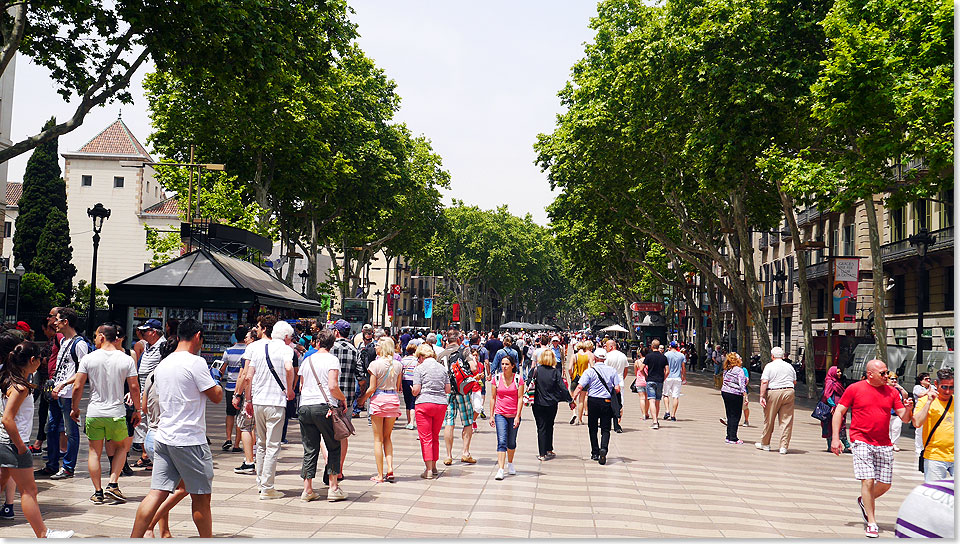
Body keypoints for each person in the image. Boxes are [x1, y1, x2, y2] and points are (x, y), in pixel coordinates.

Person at [131, 319, 223, 538]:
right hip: (189, 439)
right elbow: (217, 396)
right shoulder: (196, 362)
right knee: (201, 497)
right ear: (198, 336)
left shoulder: (163, 364)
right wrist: (215, 378)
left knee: (156, 493)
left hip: (163, 436)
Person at [831, 359, 913, 538]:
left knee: (885, 484)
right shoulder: (855, 389)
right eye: (883, 373)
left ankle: (864, 501)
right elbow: (839, 412)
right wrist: (836, 438)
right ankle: (872, 522)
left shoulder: (891, 392)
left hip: (884, 443)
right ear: (870, 374)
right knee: (867, 481)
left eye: (887, 372)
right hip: (861, 440)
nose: (887, 376)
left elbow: (905, 419)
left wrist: (908, 409)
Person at [0, 340, 74, 538]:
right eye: (40, 359)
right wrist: (21, 447)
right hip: (12, 445)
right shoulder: (20, 387)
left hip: (4, 444)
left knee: (2, 483)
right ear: (32, 360)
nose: (42, 362)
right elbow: (7, 419)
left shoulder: (9, 380)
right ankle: (43, 534)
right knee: (29, 491)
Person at [66, 323, 142, 505]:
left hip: (94, 412)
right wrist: (138, 410)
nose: (94, 339)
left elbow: (77, 385)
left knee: (94, 452)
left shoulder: (89, 359)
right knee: (122, 448)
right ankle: (113, 483)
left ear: (101, 336)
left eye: (95, 336)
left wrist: (74, 408)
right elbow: (134, 387)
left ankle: (98, 492)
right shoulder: (126, 359)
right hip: (117, 412)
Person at [237, 317, 295, 499]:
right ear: (286, 336)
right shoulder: (286, 350)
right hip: (276, 402)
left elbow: (248, 376)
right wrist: (290, 388)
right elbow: (288, 368)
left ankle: (261, 481)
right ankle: (268, 487)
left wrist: (248, 400)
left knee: (260, 443)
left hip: (258, 401)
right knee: (273, 445)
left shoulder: (257, 348)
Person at [36, 307, 88, 480]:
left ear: (66, 322)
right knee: (50, 428)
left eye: (57, 320)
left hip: (66, 394)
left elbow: (82, 372)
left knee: (70, 431)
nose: (54, 323)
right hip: (56, 392)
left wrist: (64, 384)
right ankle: (51, 464)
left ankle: (67, 467)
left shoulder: (79, 344)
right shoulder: (63, 341)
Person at [297, 329, 347, 502]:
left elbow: (301, 387)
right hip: (324, 408)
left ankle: (307, 489)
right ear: (332, 344)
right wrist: (343, 398)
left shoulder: (307, 359)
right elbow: (332, 386)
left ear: (317, 342)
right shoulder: (332, 360)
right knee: (333, 445)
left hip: (305, 407)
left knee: (310, 448)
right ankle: (333, 487)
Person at [357, 337, 402, 483]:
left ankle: (380, 475)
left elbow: (371, 388)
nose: (375, 347)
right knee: (388, 437)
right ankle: (390, 468)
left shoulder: (374, 364)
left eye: (377, 345)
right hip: (393, 401)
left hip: (378, 402)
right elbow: (398, 387)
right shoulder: (398, 365)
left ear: (382, 348)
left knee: (378, 439)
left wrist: (362, 399)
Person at [571, 347, 621, 465]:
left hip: (593, 401)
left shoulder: (589, 371)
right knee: (605, 428)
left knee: (592, 427)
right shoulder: (612, 371)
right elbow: (617, 388)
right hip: (606, 402)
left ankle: (594, 452)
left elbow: (580, 387)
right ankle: (604, 448)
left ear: (595, 358)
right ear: (604, 359)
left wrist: (572, 399)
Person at [330, 320, 365, 479]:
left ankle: (329, 466)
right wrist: (361, 396)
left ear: (336, 332)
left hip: (329, 397)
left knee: (328, 433)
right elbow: (361, 377)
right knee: (343, 434)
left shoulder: (329, 349)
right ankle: (339, 470)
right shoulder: (353, 350)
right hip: (348, 399)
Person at [439, 330, 476, 466]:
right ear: (459, 339)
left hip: (447, 391)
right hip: (462, 391)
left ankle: (448, 456)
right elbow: (474, 367)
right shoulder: (464, 351)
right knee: (467, 421)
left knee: (449, 422)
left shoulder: (441, 355)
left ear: (446, 340)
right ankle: (465, 453)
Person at [529, 349, 574, 461]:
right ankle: (549, 448)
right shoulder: (555, 372)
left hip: (538, 403)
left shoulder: (535, 370)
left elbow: (528, 382)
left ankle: (542, 453)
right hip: (552, 404)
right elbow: (563, 388)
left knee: (541, 427)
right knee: (550, 425)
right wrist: (570, 401)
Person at [411, 343, 447, 479]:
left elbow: (416, 390)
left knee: (426, 438)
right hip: (440, 404)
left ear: (421, 356)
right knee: (435, 436)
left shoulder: (419, 369)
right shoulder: (442, 368)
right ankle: (434, 466)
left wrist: (412, 391)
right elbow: (447, 389)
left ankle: (428, 470)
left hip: (424, 404)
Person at [132, 319, 165, 462]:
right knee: (141, 421)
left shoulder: (163, 346)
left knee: (153, 422)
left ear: (154, 332)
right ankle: (146, 453)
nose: (141, 333)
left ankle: (151, 455)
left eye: (145, 331)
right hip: (143, 388)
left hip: (155, 390)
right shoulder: (147, 346)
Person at [912, 368, 953, 483]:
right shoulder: (925, 400)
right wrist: (929, 402)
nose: (947, 391)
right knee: (935, 494)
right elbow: (917, 422)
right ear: (936, 384)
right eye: (944, 387)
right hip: (935, 456)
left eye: (951, 388)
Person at [488, 355, 524, 480]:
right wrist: (491, 415)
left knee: (511, 442)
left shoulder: (518, 379)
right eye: (502, 364)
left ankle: (510, 463)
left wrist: (518, 416)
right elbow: (493, 398)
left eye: (507, 364)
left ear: (513, 366)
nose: (504, 366)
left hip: (513, 414)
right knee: (502, 441)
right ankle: (501, 469)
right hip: (500, 414)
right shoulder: (496, 378)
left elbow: (520, 398)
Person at [755, 346, 796, 454]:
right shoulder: (789, 366)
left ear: (772, 356)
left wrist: (762, 396)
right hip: (789, 391)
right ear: (782, 356)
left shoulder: (769, 366)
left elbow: (764, 382)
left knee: (769, 418)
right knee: (786, 420)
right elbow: (794, 381)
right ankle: (783, 446)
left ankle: (765, 443)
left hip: (773, 391)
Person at [219, 326, 248, 453]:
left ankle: (227, 438)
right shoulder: (249, 351)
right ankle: (237, 444)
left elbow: (222, 369)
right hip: (243, 387)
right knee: (241, 415)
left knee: (229, 413)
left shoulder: (228, 351)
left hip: (230, 386)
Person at [819, 366, 851, 453]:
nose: (840, 374)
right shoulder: (830, 382)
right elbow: (827, 395)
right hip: (832, 409)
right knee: (830, 426)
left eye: (840, 372)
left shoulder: (838, 382)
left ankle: (847, 446)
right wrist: (833, 405)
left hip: (839, 408)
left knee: (841, 425)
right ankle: (832, 446)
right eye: (837, 372)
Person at [719, 352, 746, 444]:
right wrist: (745, 395)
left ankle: (728, 435)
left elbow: (724, 380)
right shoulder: (739, 370)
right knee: (736, 415)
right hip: (735, 393)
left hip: (725, 392)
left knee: (729, 414)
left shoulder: (727, 369)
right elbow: (741, 384)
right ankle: (733, 437)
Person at [641, 339, 668, 430]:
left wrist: (646, 376)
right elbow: (667, 370)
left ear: (652, 346)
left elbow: (641, 368)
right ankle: (656, 419)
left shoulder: (648, 356)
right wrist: (663, 378)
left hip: (650, 380)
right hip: (660, 381)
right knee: (657, 401)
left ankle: (655, 421)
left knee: (651, 400)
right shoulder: (663, 357)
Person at [603, 339, 629, 433]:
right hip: (620, 382)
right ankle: (617, 424)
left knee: (608, 403)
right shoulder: (623, 356)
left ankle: (606, 423)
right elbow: (626, 370)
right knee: (618, 404)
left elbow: (604, 370)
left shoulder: (607, 356)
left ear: (611, 346)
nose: (605, 348)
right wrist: (621, 378)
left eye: (606, 346)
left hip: (609, 383)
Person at [569, 340, 593, 425]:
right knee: (581, 400)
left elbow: (569, 368)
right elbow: (592, 367)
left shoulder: (574, 356)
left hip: (575, 378)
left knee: (573, 398)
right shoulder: (588, 356)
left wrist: (571, 375)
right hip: (585, 379)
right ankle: (580, 419)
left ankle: (574, 413)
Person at [662, 341, 686, 422]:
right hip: (677, 378)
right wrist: (683, 376)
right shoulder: (681, 355)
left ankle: (667, 411)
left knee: (666, 395)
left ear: (670, 346)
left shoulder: (666, 354)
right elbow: (683, 367)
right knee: (676, 396)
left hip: (668, 377)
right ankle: (673, 415)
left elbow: (664, 367)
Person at [887, 372, 909, 451]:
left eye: (895, 379)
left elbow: (905, 396)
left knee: (896, 428)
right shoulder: (885, 388)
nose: (894, 380)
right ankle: (888, 443)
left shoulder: (898, 389)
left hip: (897, 413)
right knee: (888, 429)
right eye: (892, 379)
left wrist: (900, 388)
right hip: (888, 413)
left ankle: (894, 443)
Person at [911, 373, 933, 454]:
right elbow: (921, 394)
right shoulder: (917, 387)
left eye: (929, 379)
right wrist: (929, 391)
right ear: (921, 381)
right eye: (926, 379)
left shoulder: (932, 387)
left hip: (930, 411)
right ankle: (919, 448)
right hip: (920, 411)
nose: (929, 380)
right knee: (919, 430)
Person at [399, 342, 419, 430]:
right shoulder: (417, 361)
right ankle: (412, 422)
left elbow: (401, 372)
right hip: (414, 381)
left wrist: (399, 384)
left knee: (407, 401)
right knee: (413, 401)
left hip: (405, 381)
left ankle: (408, 421)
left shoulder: (403, 360)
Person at [633, 348, 649, 420]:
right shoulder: (649, 361)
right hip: (648, 381)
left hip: (640, 381)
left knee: (642, 398)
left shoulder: (637, 362)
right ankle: (646, 412)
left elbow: (636, 372)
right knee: (648, 398)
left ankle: (643, 415)